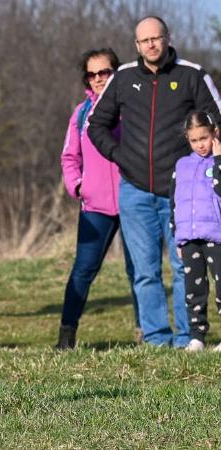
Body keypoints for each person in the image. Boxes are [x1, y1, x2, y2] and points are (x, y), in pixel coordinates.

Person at [87, 16, 221, 347]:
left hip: (183, 194)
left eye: (156, 38)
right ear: (137, 45)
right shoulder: (123, 77)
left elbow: (216, 122)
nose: (150, 44)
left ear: (167, 39)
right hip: (134, 190)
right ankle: (156, 338)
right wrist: (118, 155)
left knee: (183, 268)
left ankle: (188, 338)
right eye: (144, 40)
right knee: (145, 272)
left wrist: (203, 167)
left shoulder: (192, 74)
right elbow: (96, 125)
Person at [57, 49, 140, 350]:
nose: (98, 79)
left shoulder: (133, 107)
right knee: (83, 269)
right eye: (92, 74)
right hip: (95, 205)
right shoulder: (81, 113)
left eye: (104, 72)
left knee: (139, 271)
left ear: (117, 72)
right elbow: (69, 156)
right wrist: (78, 186)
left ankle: (148, 332)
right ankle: (67, 335)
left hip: (135, 199)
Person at [170, 111, 221, 352]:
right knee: (194, 290)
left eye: (204, 138)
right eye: (194, 140)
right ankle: (197, 336)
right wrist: (177, 238)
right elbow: (174, 202)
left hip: (216, 236)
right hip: (189, 238)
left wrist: (219, 159)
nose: (201, 145)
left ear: (215, 134)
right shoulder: (182, 165)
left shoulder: (219, 162)